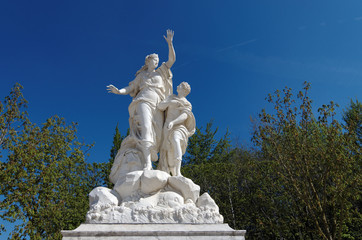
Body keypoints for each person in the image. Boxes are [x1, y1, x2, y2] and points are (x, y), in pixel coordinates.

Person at [107, 29, 175, 173]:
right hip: (143, 100)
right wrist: (119, 91)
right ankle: (147, 165)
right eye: (154, 60)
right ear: (148, 61)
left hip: (159, 105)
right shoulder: (142, 76)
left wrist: (170, 44)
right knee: (146, 129)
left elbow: (171, 60)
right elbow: (131, 87)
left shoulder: (161, 71)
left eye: (157, 60)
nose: (156, 62)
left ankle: (152, 158)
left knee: (159, 135)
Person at [157, 82, 195, 176]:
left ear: (184, 90)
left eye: (180, 86)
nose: (178, 86)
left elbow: (185, 115)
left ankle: (178, 172)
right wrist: (170, 102)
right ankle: (171, 172)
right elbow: (160, 107)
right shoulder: (171, 97)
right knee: (168, 150)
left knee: (175, 140)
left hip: (179, 126)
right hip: (167, 127)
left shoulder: (187, 103)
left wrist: (173, 122)